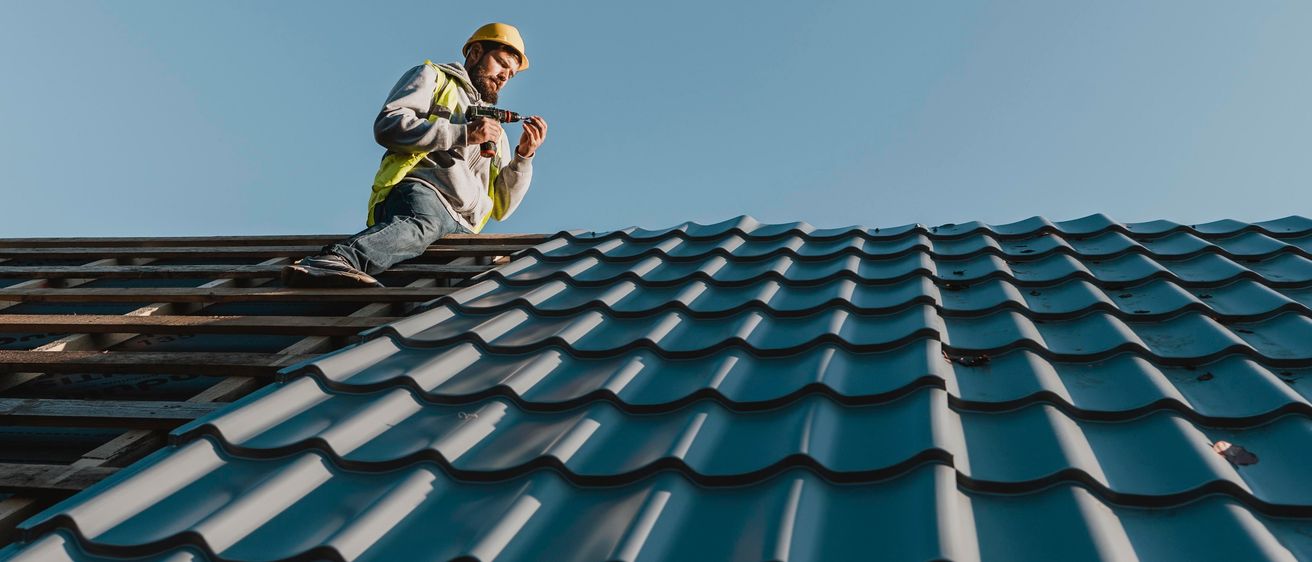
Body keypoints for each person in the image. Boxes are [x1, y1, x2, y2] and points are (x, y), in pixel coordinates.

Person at [282, 22, 547, 287]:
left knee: (459, 283)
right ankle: (337, 259)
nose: (504, 77)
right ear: (476, 53)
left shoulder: (496, 132)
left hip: (464, 226)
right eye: (501, 64)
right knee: (423, 224)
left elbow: (501, 208)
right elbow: (388, 126)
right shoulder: (434, 78)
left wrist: (524, 157)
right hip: (424, 195)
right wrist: (463, 133)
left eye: (510, 74)